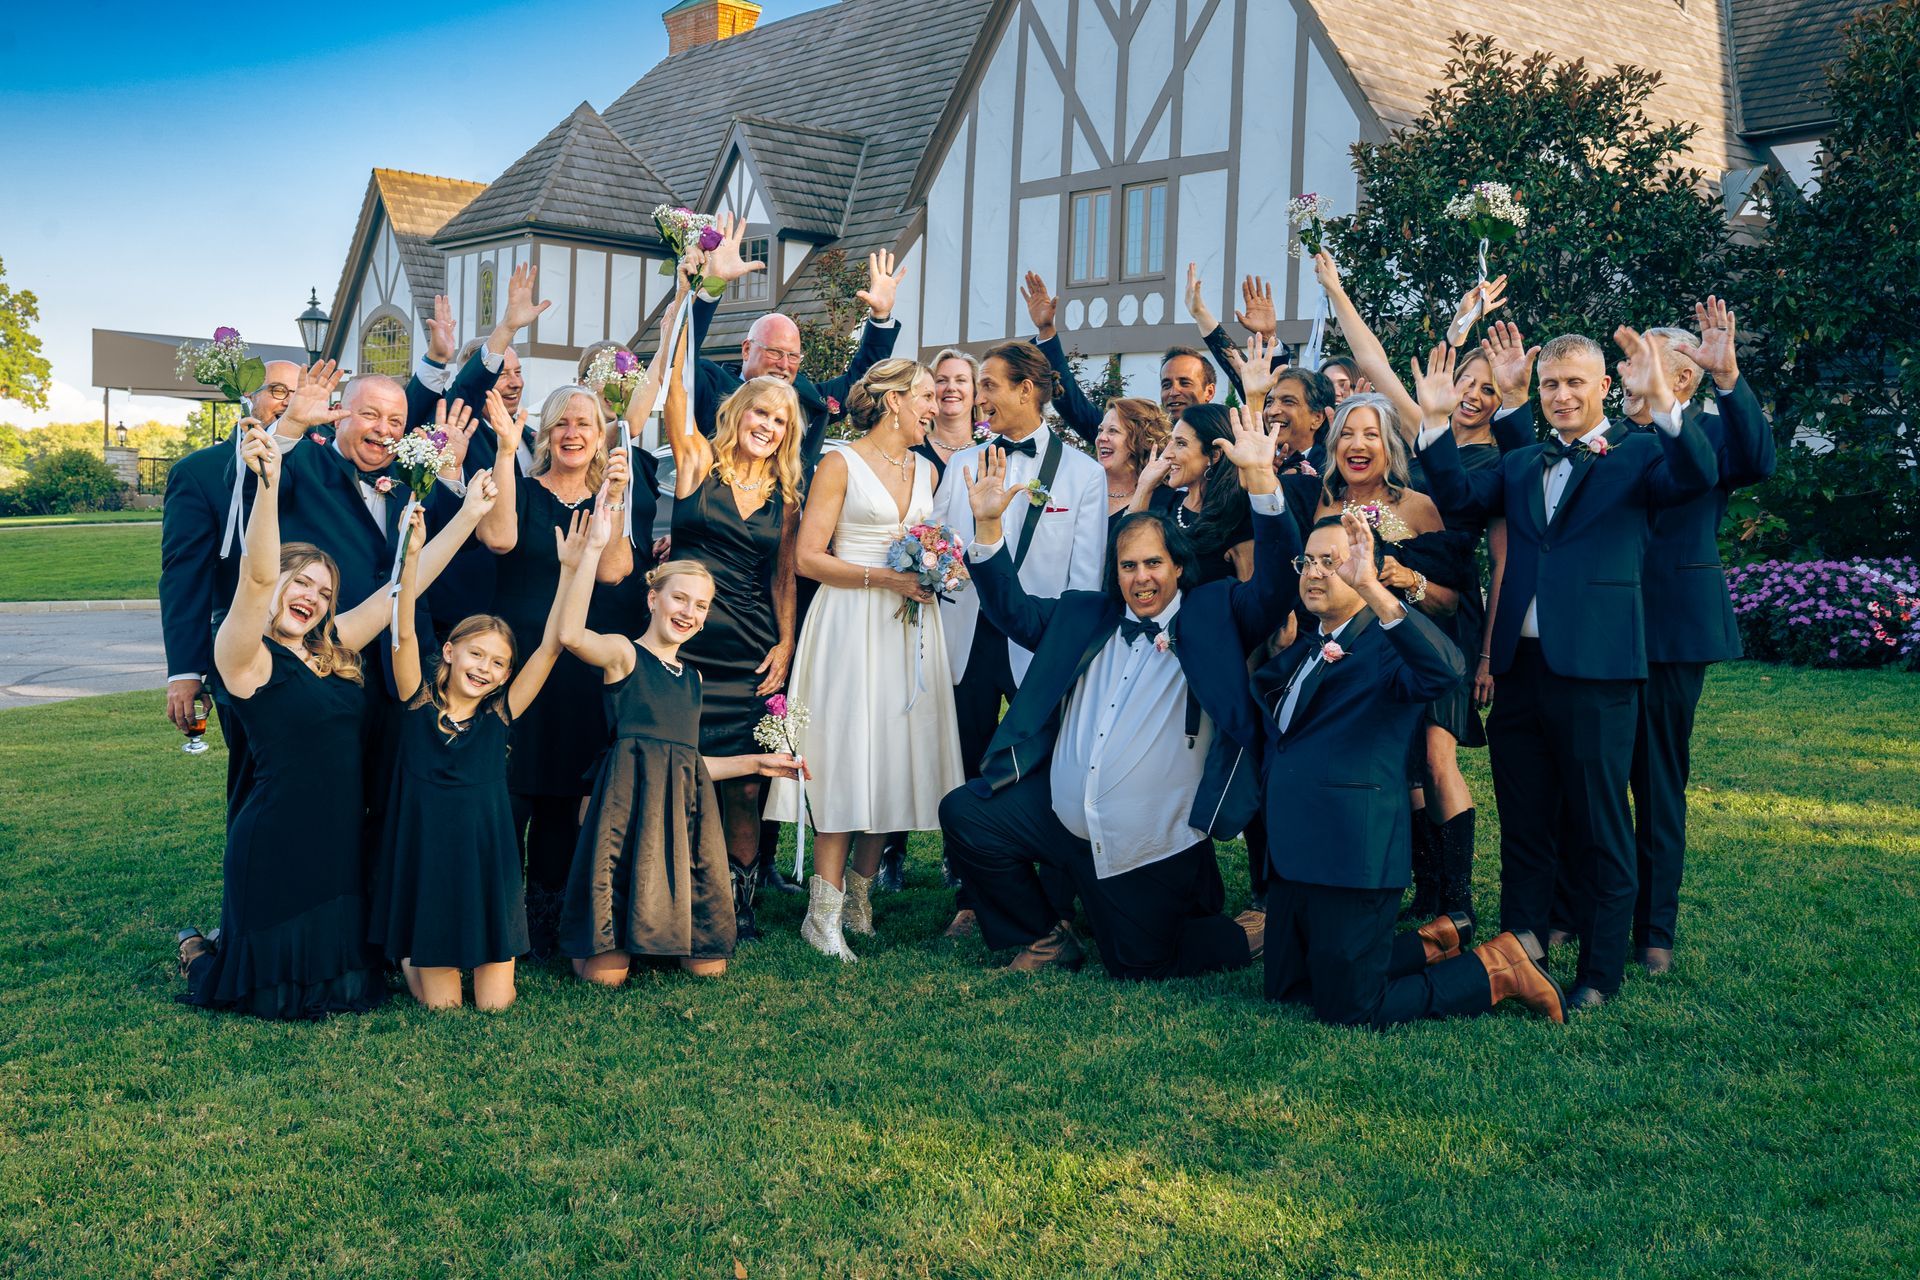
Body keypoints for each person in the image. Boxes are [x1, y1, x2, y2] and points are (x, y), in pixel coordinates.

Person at [938, 409, 1297, 979]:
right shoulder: (1087, 614)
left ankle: (1250, 930)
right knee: (966, 814)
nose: (1141, 578)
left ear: (1178, 567)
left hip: (1146, 836)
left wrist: (1263, 484)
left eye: (1154, 563)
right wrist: (987, 531)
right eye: (1128, 566)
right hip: (1060, 817)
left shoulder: (1214, 615)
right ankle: (1043, 935)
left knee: (1138, 963)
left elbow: (1276, 587)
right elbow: (1013, 611)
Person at [1419, 327, 1718, 1010]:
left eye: (1574, 382)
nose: (1560, 395)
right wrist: (1435, 425)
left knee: (1600, 823)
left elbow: (1697, 474)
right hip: (1522, 672)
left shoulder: (1639, 454)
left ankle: (1600, 972)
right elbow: (1462, 502)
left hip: (1599, 671)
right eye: (1550, 384)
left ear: (1603, 387)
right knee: (1525, 820)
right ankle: (1521, 948)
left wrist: (1667, 400)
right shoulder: (1523, 462)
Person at [177, 422, 485, 1018]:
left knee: (345, 988)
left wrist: (469, 514)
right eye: (301, 583)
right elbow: (257, 575)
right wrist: (268, 487)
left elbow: (403, 588)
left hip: (339, 836)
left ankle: (206, 945)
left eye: (323, 591)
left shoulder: (333, 645)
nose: (312, 597)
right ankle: (199, 952)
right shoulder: (242, 654)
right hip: (275, 840)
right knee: (270, 993)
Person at [1533, 300, 1775, 973]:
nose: (1629, 370)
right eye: (1627, 362)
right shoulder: (1595, 436)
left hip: (1669, 630)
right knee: (1586, 776)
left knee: (1656, 780)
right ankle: (1572, 911)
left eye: (1648, 363)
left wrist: (1730, 380)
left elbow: (1758, 461)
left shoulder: (1704, 433)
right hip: (1594, 632)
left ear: (1685, 381)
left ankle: (1654, 931)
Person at [1252, 511, 1567, 1026]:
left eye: (1330, 562)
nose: (1313, 572)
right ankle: (1431, 942)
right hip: (1296, 855)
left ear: (1364, 567)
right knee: (1288, 989)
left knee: (1350, 1008)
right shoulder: (1306, 641)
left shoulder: (1387, 644)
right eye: (1307, 561)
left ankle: (1498, 968)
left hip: (1353, 853)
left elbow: (1446, 671)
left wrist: (1376, 593)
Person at [767, 359, 967, 959]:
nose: (936, 407)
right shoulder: (839, 463)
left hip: (907, 628)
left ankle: (859, 899)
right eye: (927, 396)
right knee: (848, 757)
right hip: (851, 623)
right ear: (893, 401)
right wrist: (887, 578)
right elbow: (807, 558)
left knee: (894, 755)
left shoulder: (926, 469)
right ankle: (820, 912)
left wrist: (939, 570)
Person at [553, 517, 808, 985]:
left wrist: (757, 762)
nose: (689, 611)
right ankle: (595, 938)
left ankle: (661, 929)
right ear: (653, 599)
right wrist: (589, 553)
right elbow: (570, 635)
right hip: (626, 813)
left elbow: (688, 763)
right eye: (680, 598)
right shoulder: (624, 654)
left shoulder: (693, 679)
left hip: (676, 818)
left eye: (701, 605)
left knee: (710, 966)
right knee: (605, 977)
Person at [927, 341, 1109, 936]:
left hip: (1040, 641)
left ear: (1027, 389)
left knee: (1046, 761)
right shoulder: (962, 464)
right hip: (970, 633)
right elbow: (941, 541)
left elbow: (1085, 578)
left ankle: (1056, 895)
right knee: (970, 755)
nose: (979, 399)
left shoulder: (1082, 474)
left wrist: (1062, 653)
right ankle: (973, 895)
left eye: (989, 386)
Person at [369, 499, 576, 1014]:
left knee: (495, 1006)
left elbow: (551, 645)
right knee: (444, 1007)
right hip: (430, 861)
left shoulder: (500, 715)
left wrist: (572, 571)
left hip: (487, 864)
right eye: (476, 654)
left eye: (498, 663)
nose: (485, 668)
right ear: (452, 651)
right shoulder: (416, 700)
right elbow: (403, 626)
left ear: (507, 675)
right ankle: (414, 956)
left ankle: (457, 957)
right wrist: (410, 555)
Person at [658, 311, 805, 942]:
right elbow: (673, 387)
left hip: (749, 650)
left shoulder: (788, 498)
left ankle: (739, 906)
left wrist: (787, 641)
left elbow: (784, 578)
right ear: (738, 413)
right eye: (760, 414)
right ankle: (674, 890)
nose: (767, 428)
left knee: (746, 784)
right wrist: (692, 293)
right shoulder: (696, 464)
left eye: (780, 421)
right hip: (683, 645)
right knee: (678, 774)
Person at [475, 382, 635, 953]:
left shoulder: (610, 498)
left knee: (566, 792)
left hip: (576, 662)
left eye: (584, 425)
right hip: (516, 658)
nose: (573, 434)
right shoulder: (520, 489)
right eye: (562, 424)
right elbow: (498, 539)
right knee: (508, 785)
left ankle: (545, 918)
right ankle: (495, 913)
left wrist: (613, 496)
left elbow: (615, 570)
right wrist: (502, 447)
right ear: (545, 435)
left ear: (600, 439)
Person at [160, 356, 312, 808]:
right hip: (245, 655)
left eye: (297, 392)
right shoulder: (199, 472)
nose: (288, 402)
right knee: (260, 784)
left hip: (324, 649)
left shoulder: (324, 465)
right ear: (248, 396)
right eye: (279, 391)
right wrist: (186, 672)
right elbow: (184, 577)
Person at [684, 213, 906, 471]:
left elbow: (861, 382)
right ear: (747, 349)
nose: (784, 365)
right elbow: (681, 355)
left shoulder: (807, 398)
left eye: (793, 357)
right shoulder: (713, 385)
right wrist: (713, 288)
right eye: (775, 352)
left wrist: (880, 317)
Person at [1023, 269, 1217, 436]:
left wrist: (1202, 316)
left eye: (1185, 382)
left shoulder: (1231, 436)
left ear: (1209, 391)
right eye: (1166, 384)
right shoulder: (1144, 436)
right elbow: (1077, 409)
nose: (1173, 392)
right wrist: (1047, 331)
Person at [1129, 403, 1256, 588]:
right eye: (1170, 442)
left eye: (1180, 444)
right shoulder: (1163, 503)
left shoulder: (1239, 519)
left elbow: (1252, 599)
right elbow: (1126, 556)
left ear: (1214, 455)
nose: (1167, 454)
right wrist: (1144, 487)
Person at [1096, 397, 1173, 529]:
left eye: (1113, 431)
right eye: (1100, 430)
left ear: (1139, 440)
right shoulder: (1085, 488)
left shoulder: (1165, 501)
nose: (1101, 438)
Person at [913, 348, 985, 482]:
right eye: (941, 380)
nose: (951, 387)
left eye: (961, 380)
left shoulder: (993, 449)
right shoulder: (912, 450)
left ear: (975, 391)